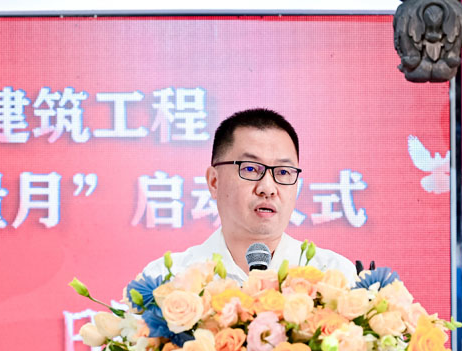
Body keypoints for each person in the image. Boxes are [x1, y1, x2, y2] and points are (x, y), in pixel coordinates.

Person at [140, 108, 358, 283]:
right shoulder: (168, 279)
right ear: (214, 181)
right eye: (251, 169)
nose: (268, 188)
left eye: (283, 172)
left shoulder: (333, 276)